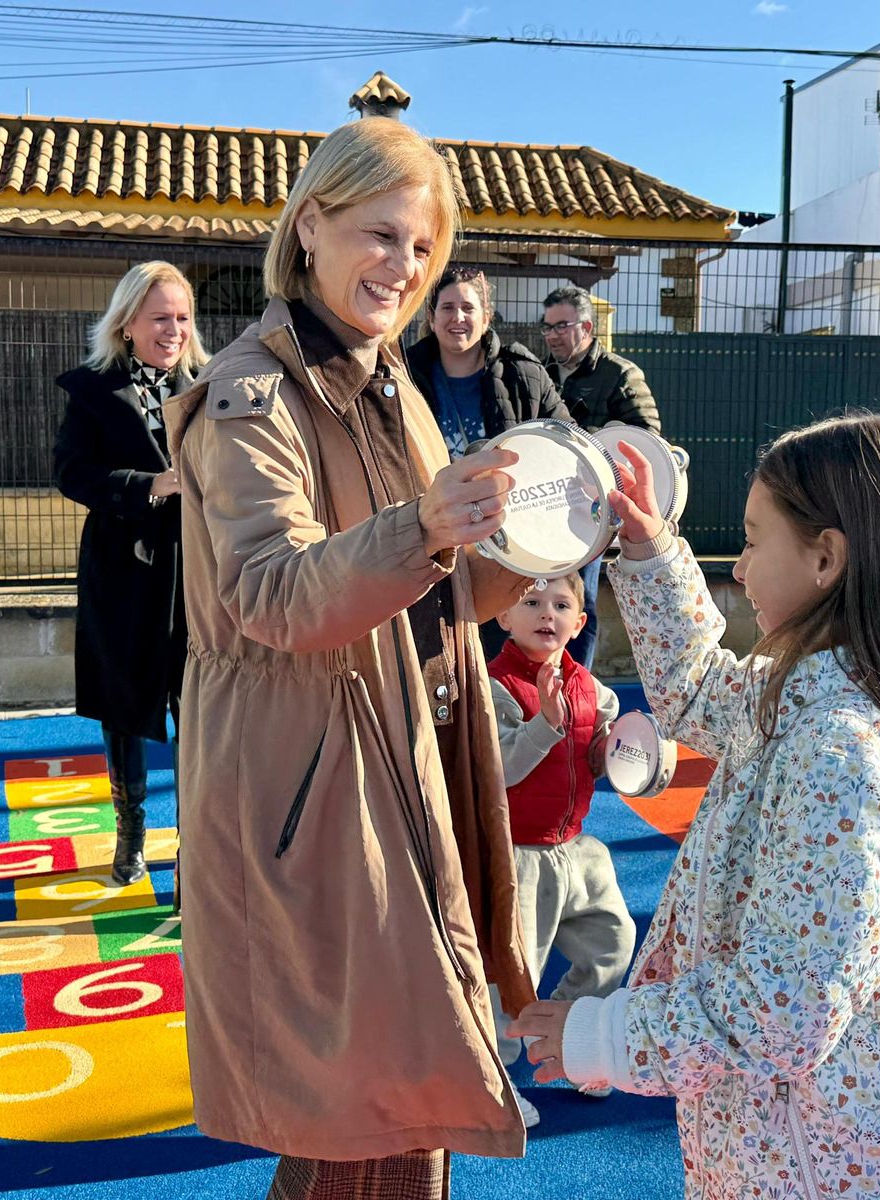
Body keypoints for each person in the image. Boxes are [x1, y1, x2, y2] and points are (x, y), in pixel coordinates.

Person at [164, 117, 538, 1196]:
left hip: (405, 756)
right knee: (363, 1110)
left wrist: (539, 538)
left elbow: (437, 596)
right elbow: (271, 594)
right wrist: (425, 527)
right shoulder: (251, 396)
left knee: (399, 1100)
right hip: (314, 782)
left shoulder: (390, 383)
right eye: (380, 235)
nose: (404, 269)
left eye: (422, 249)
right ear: (311, 224)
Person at [511, 415, 880, 1197]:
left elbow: (788, 1005)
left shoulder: (837, 751)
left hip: (841, 1160)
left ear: (825, 558)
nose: (737, 569)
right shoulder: (802, 697)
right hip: (794, 1140)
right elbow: (698, 687)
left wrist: (602, 1035)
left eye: (750, 541)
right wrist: (646, 547)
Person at [53, 261, 206, 887]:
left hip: (195, 571)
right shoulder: (94, 390)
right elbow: (71, 473)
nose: (173, 329)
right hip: (123, 572)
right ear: (129, 323)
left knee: (199, 709)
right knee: (124, 709)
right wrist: (149, 485)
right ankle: (131, 838)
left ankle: (196, 847)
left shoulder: (208, 386)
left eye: (182, 317)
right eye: (160, 317)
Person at [484, 571, 629, 1129]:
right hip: (519, 857)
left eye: (561, 604)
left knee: (613, 944)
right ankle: (495, 1080)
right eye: (530, 601)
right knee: (513, 974)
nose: (547, 613)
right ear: (503, 616)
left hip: (577, 849)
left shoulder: (595, 691)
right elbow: (499, 771)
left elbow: (612, 754)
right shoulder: (493, 686)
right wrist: (545, 723)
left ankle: (569, 1043)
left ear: (580, 622)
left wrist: (626, 755)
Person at [406, 265, 570, 658]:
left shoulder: (523, 374)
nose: (457, 318)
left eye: (468, 307)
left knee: (502, 666)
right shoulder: (402, 376)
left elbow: (565, 443)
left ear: (487, 316)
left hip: (507, 548)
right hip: (431, 545)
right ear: (431, 316)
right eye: (446, 307)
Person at [540, 284, 660, 671]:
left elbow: (647, 440)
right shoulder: (541, 374)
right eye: (547, 327)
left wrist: (600, 447)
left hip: (595, 509)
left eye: (562, 326)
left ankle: (578, 684)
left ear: (587, 328)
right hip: (548, 503)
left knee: (580, 599)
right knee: (541, 596)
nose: (553, 335)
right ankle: (541, 684)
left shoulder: (620, 374)